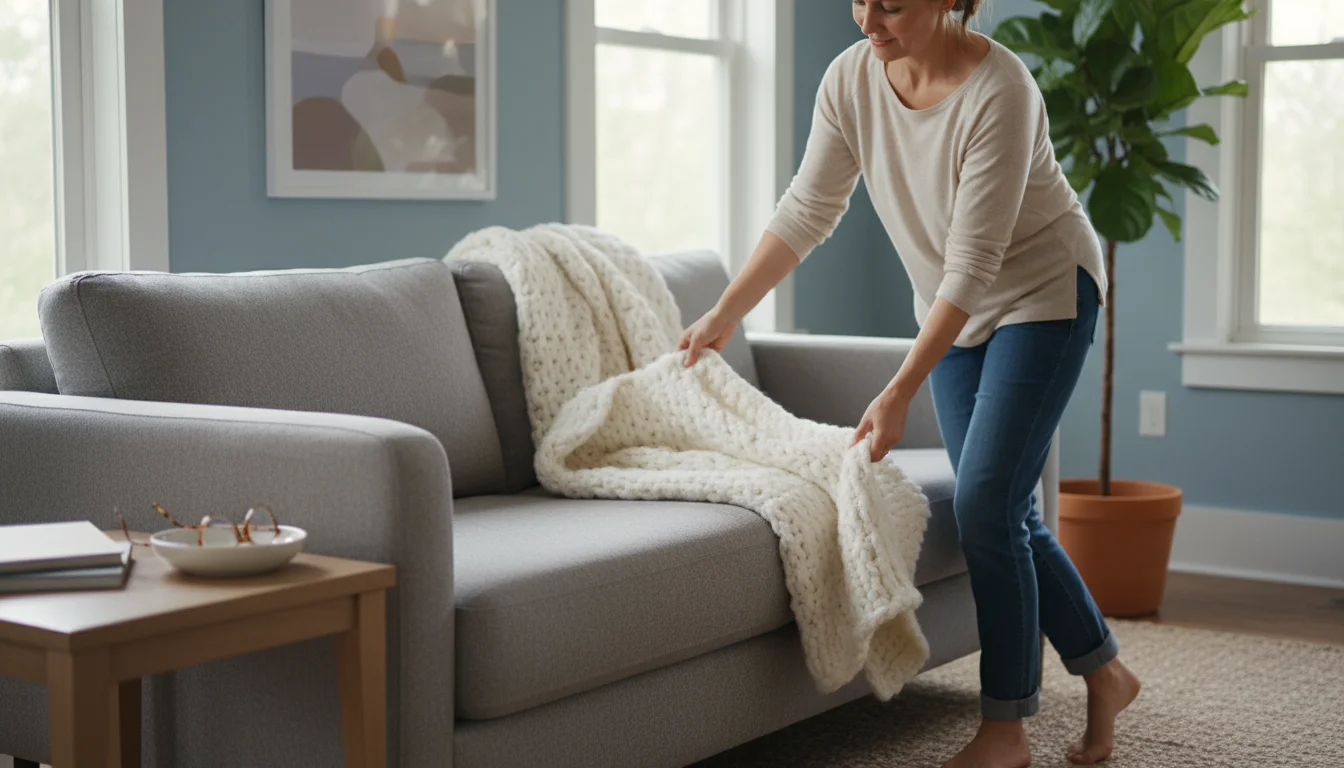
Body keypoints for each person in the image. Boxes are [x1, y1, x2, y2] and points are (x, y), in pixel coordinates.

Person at [677, 1, 1142, 766]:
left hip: (1042, 293)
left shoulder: (1003, 90)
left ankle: (1007, 729)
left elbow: (975, 262)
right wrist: (726, 312)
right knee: (999, 510)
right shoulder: (850, 79)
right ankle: (1105, 669)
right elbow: (808, 206)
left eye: (889, 2)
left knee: (987, 504)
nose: (867, 20)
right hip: (950, 311)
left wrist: (897, 391)